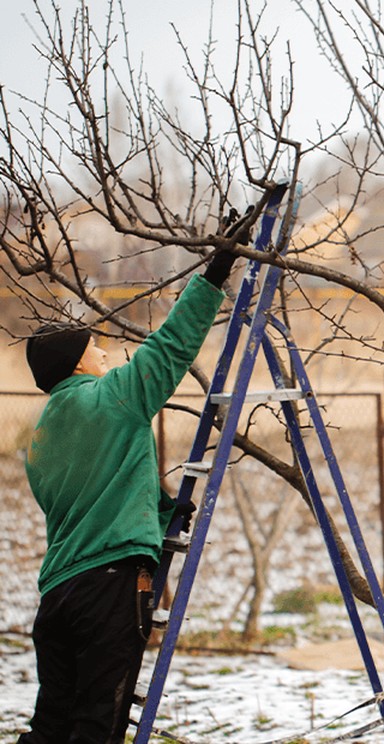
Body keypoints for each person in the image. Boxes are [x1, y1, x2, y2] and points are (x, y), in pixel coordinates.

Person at [18, 214, 249, 744]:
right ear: (77, 363)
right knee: (98, 725)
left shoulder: (42, 436)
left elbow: (97, 495)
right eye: (94, 347)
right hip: (109, 588)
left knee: (51, 725)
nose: (103, 353)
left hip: (57, 596)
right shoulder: (112, 399)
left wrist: (162, 509)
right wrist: (215, 272)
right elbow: (170, 348)